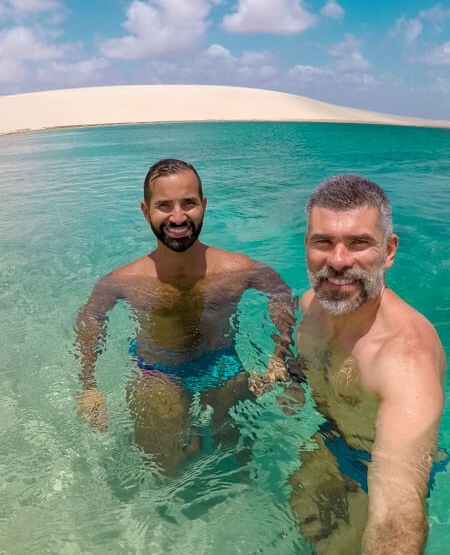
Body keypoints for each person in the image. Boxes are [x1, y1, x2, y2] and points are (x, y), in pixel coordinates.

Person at [289, 174, 446, 555]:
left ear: (389, 250)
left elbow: (398, 513)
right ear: (306, 246)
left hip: (375, 466)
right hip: (327, 443)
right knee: (308, 536)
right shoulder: (310, 308)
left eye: (359, 243)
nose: (338, 262)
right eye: (324, 242)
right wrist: (285, 376)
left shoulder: (404, 358)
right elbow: (302, 363)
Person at [73, 158, 296, 476]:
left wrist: (279, 356)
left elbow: (281, 294)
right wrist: (89, 386)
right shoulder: (123, 280)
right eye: (164, 205)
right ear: (145, 210)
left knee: (236, 461)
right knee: (164, 466)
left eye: (189, 203)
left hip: (223, 365)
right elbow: (91, 317)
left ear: (204, 205)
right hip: (157, 372)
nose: (178, 217)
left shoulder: (239, 269)